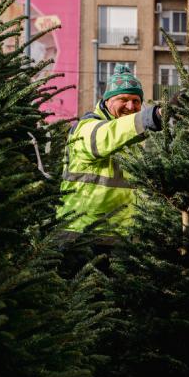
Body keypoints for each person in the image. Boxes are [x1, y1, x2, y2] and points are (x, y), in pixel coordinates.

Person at [56, 64, 162, 257]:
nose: (130, 106)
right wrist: (153, 117)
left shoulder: (132, 141)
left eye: (136, 101)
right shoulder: (86, 128)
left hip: (120, 239)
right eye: (123, 99)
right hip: (82, 238)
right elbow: (107, 136)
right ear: (106, 101)